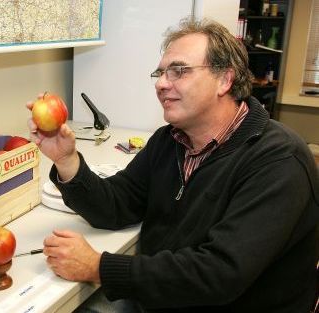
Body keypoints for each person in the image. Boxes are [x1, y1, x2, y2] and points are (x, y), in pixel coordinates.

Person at [26, 17, 319, 312]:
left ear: (225, 80)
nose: (162, 84)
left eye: (179, 71)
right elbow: (116, 205)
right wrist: (67, 160)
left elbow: (219, 275)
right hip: (165, 295)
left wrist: (98, 267)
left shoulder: (278, 161)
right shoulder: (170, 141)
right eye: (161, 73)